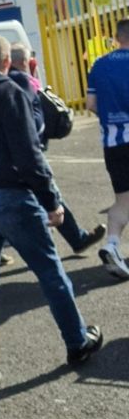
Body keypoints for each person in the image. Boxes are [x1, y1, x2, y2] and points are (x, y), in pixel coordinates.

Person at [0, 35, 104, 395]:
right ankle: (77, 342)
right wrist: (51, 200)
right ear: (6, 63)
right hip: (10, 195)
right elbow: (28, 152)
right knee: (50, 272)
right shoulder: (8, 91)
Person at [9, 46, 107, 254]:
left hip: (14, 153)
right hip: (28, 151)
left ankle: (75, 239)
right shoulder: (22, 82)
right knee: (47, 194)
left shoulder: (4, 81)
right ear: (24, 61)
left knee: (43, 195)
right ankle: (69, 241)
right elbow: (36, 120)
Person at [87, 18, 129, 279]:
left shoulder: (99, 65)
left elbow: (91, 104)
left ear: (116, 37)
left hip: (114, 143)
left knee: (123, 200)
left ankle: (111, 244)